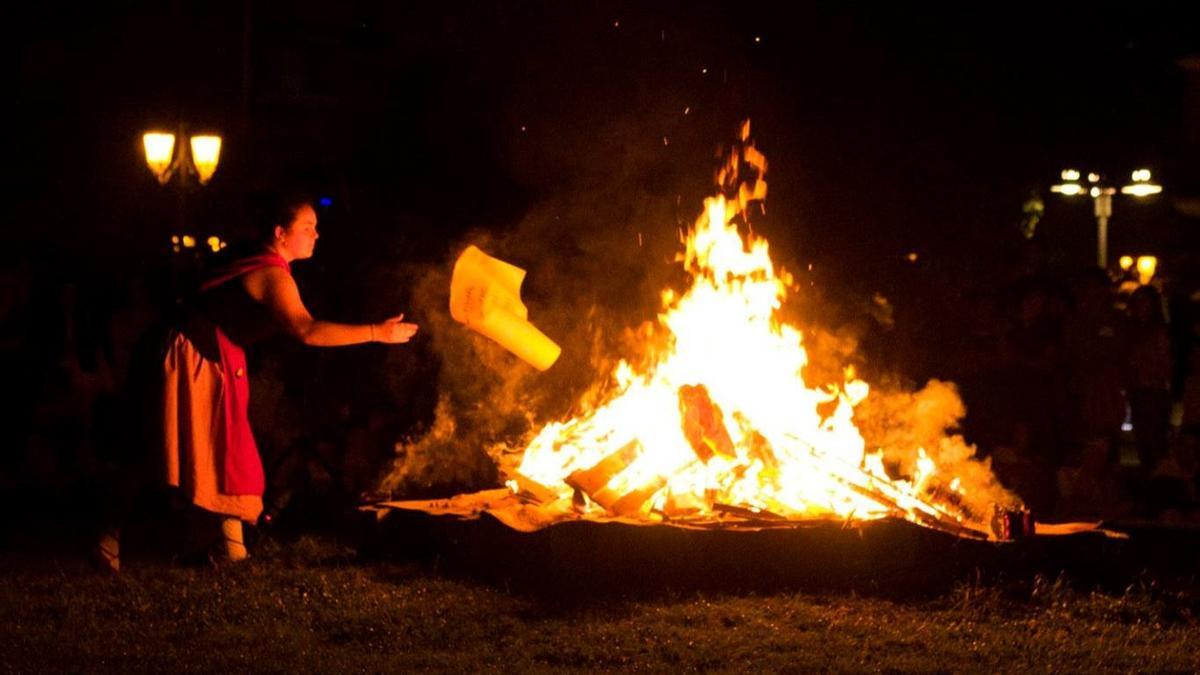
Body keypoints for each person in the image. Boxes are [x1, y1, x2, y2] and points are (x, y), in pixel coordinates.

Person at [132, 194, 417, 568]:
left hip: (213, 355)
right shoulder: (272, 275)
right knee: (175, 450)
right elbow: (307, 330)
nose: (316, 235)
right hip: (195, 354)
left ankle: (230, 548)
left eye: (316, 227)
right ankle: (109, 534)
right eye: (307, 228)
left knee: (227, 450)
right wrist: (376, 333)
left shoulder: (268, 265)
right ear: (281, 233)